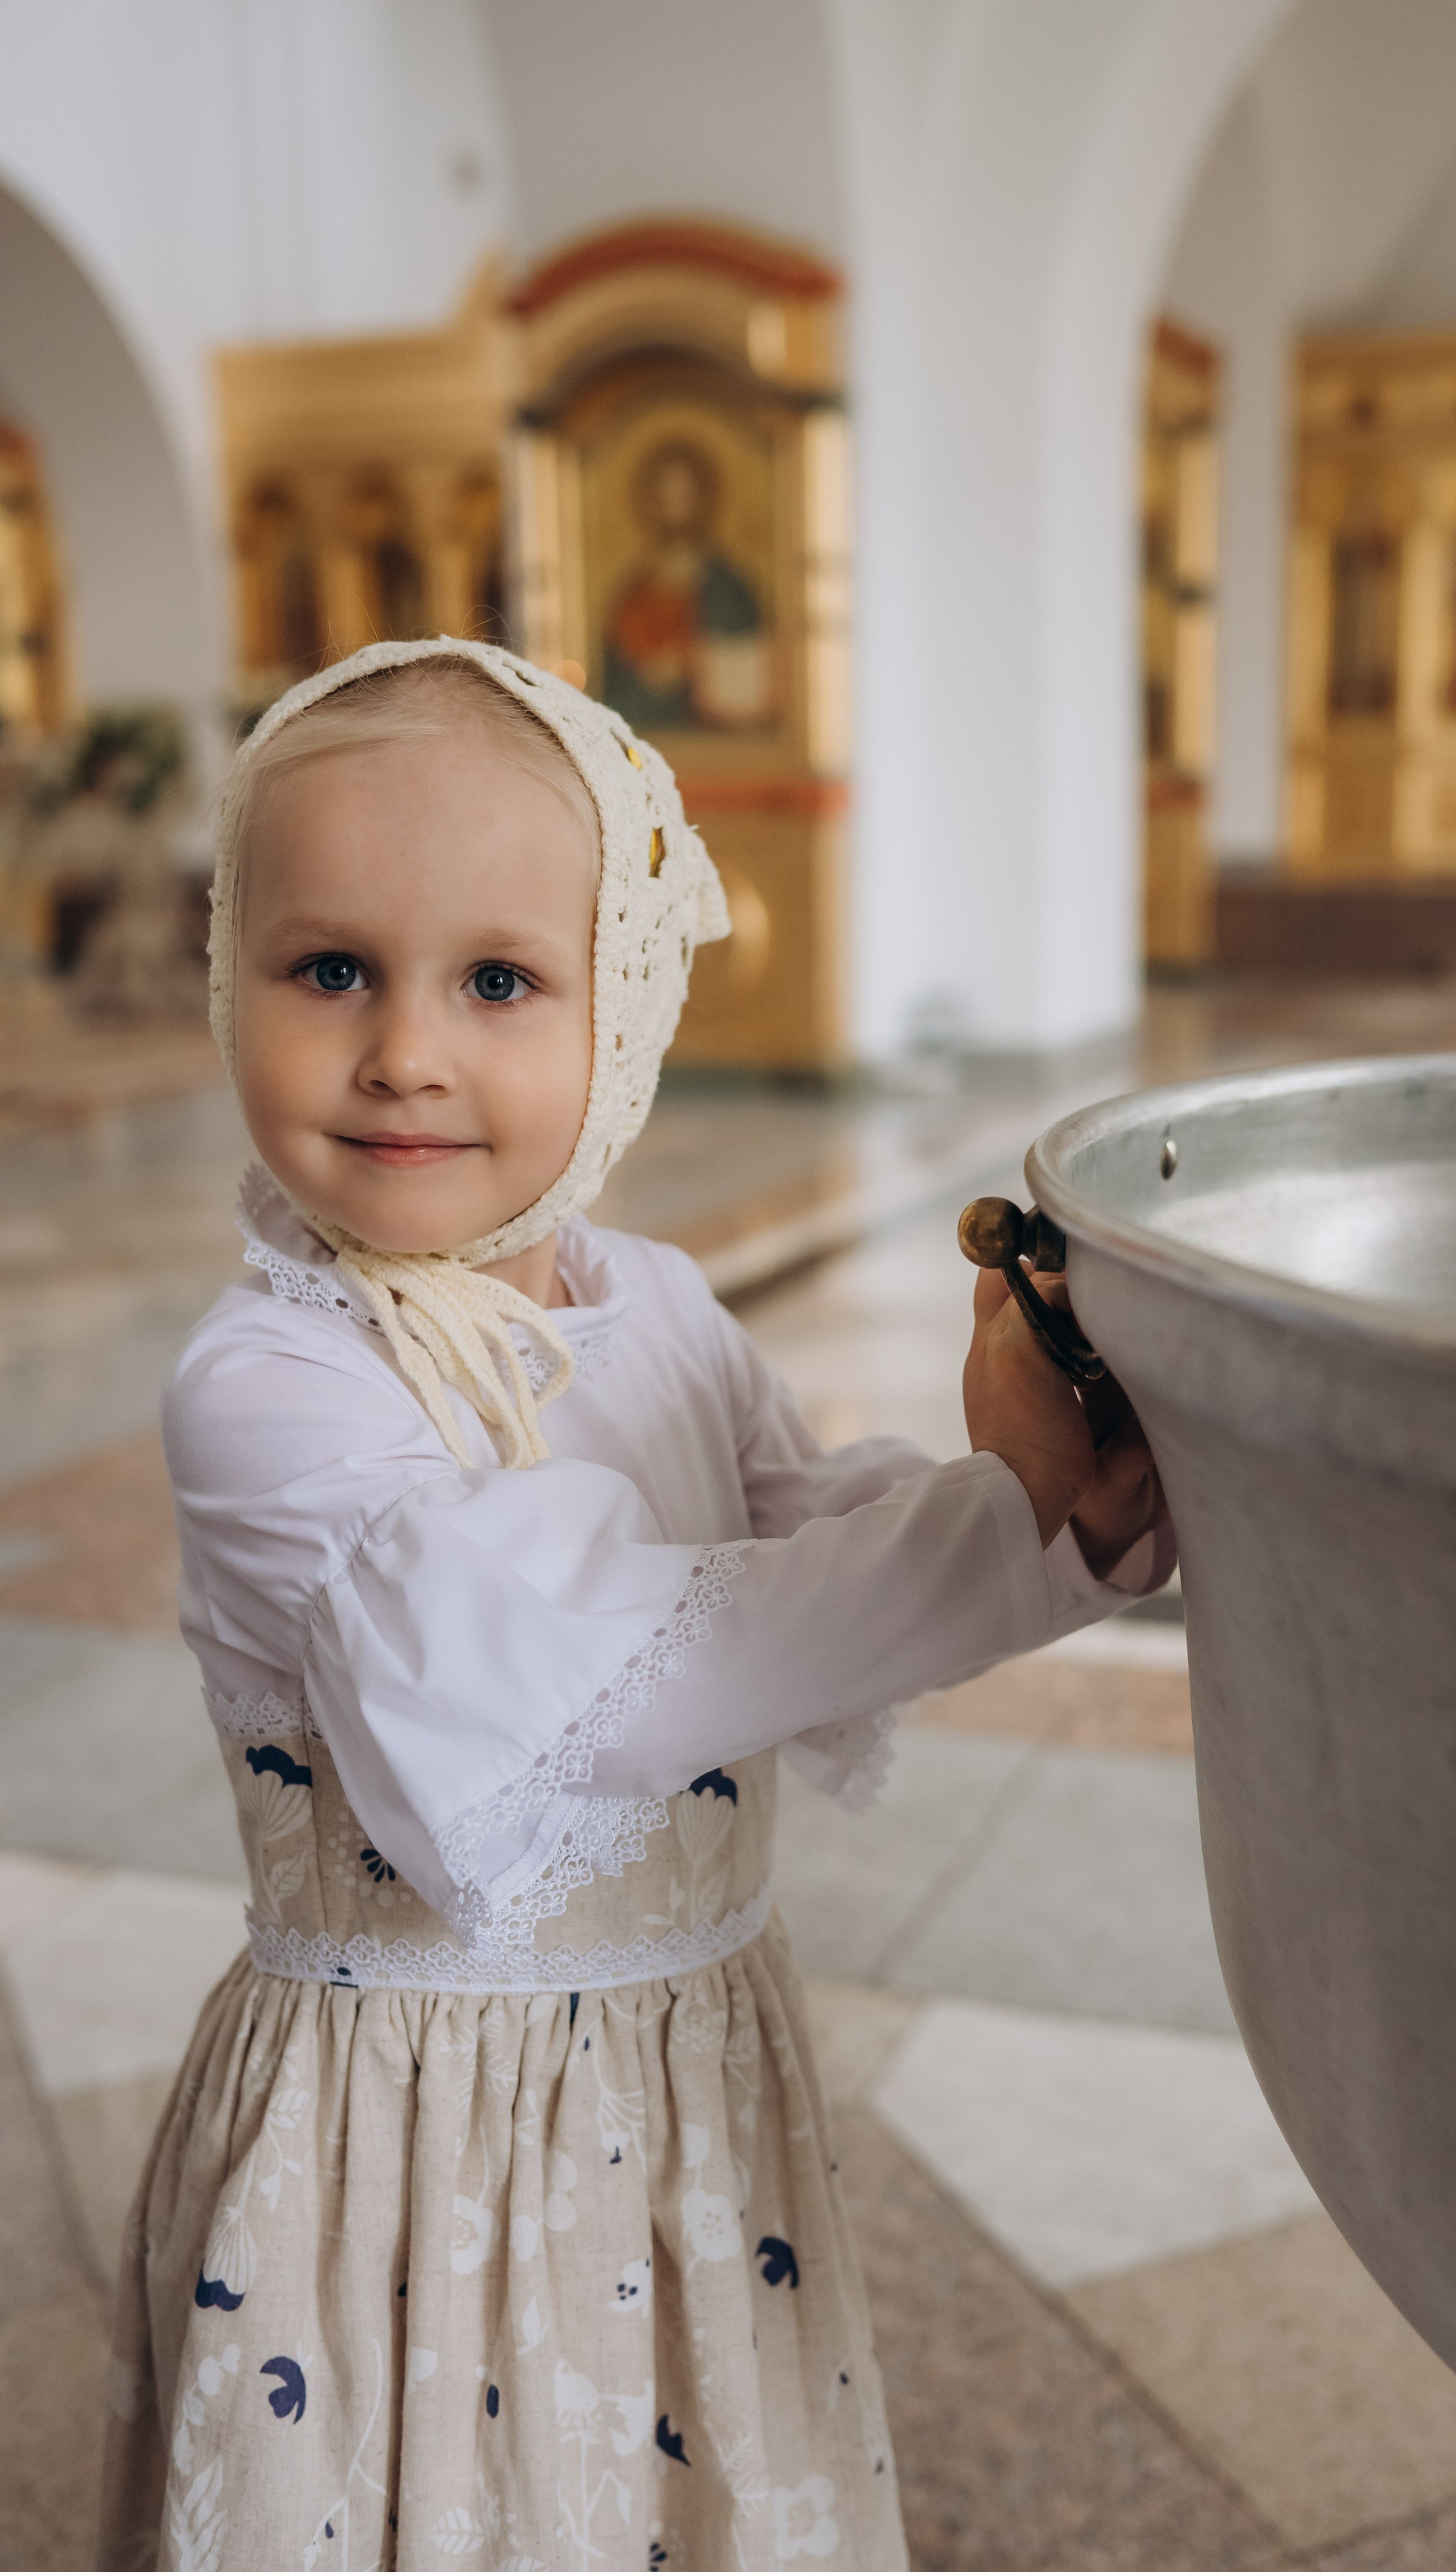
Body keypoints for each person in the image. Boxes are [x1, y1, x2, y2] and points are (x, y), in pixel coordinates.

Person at [96, 638, 1173, 2571]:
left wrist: (1043, 1490)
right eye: (330, 966)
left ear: (626, 1004)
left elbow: (792, 1528)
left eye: (499, 980)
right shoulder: (271, 1389)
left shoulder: (655, 1303)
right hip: (403, 2134)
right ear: (226, 973)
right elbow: (628, 1665)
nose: (406, 1049)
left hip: (677, 2087)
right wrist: (1016, 1521)